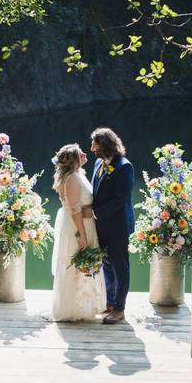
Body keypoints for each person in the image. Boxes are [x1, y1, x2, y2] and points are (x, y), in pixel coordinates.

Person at [50, 144, 106, 322]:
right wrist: (82, 235)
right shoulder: (72, 178)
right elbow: (75, 210)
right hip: (78, 226)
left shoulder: (78, 174)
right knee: (78, 264)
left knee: (84, 265)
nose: (84, 153)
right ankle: (74, 308)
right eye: (80, 152)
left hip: (85, 223)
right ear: (75, 159)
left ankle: (86, 306)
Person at [88, 127, 134, 324]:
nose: (91, 149)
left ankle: (119, 309)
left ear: (105, 144)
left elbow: (120, 200)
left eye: (95, 144)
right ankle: (110, 302)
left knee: (120, 267)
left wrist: (94, 213)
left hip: (118, 227)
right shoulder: (99, 163)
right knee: (106, 265)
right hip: (101, 226)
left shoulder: (125, 167)